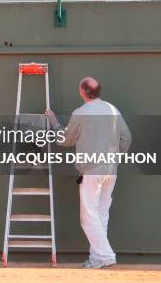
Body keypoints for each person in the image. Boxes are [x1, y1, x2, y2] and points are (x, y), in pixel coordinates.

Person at [46, 77, 131, 269]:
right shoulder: (112, 110)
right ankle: (96, 259)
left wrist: (54, 123)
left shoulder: (81, 113)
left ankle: (106, 256)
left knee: (89, 217)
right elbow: (127, 138)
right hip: (111, 169)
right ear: (98, 91)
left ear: (82, 92)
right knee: (101, 215)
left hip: (92, 170)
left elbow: (66, 139)